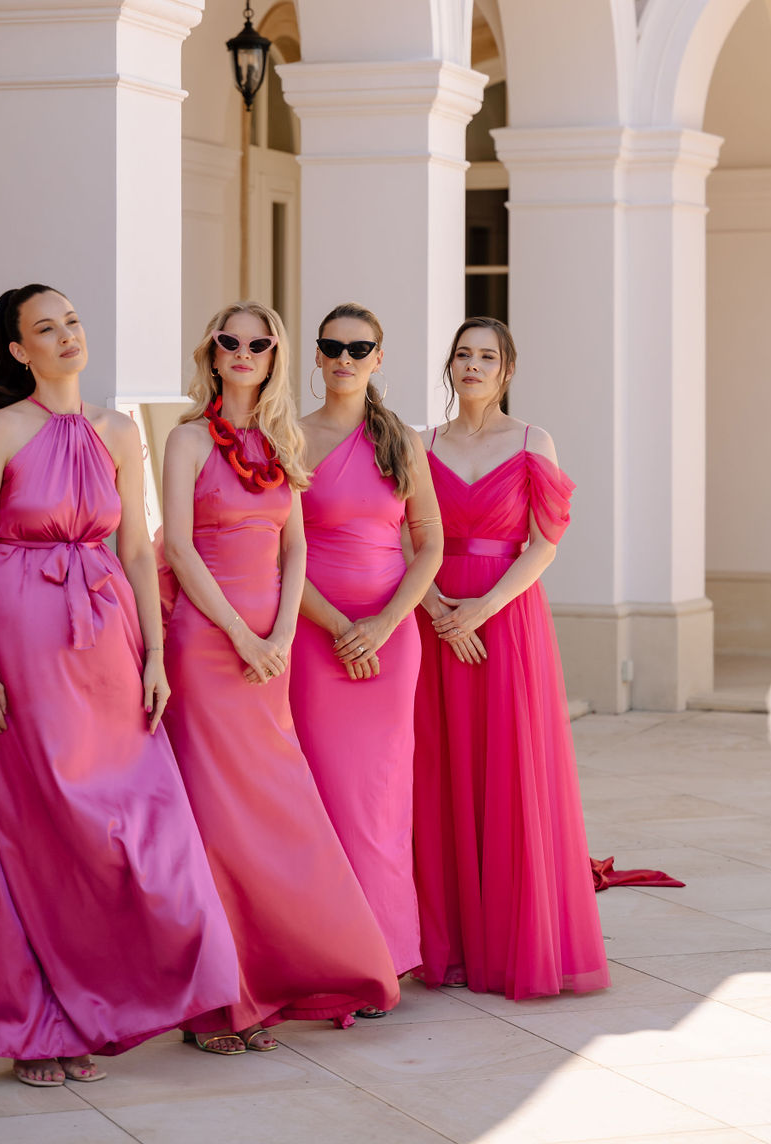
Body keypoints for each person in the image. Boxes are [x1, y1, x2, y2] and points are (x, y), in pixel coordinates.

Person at [0, 285, 239, 1086]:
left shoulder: (120, 432)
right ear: (18, 351)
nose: (68, 336)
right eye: (47, 329)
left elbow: (141, 553)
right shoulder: (1, 432)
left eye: (72, 321)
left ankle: (110, 1000)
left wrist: (153, 656)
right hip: (25, 639)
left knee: (138, 823)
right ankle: (42, 1025)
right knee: (45, 829)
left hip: (109, 637)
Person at [161, 301, 400, 1054]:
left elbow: (294, 547)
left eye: (257, 343)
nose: (242, 351)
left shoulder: (280, 441)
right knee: (217, 823)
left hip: (272, 648)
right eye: (228, 339)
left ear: (273, 357)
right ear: (212, 351)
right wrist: (239, 633)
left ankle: (270, 983)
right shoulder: (187, 440)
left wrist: (286, 633)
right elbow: (177, 550)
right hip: (207, 647)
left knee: (273, 819)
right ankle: (217, 1005)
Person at [413, 316, 609, 999]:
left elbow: (543, 545)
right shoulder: (422, 444)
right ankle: (452, 945)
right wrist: (439, 611)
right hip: (436, 620)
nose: (473, 365)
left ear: (507, 370)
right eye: (463, 354)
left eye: (486, 356)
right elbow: (406, 541)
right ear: (451, 366)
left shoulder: (533, 442)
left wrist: (482, 610)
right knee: (443, 773)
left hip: (507, 619)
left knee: (509, 771)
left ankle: (512, 942)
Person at [290, 303, 442, 990]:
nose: (345, 359)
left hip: (390, 637)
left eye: (360, 348)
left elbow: (430, 545)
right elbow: (275, 549)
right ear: (316, 358)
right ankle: (328, 955)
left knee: (380, 801)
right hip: (311, 632)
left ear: (379, 358)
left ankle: (385, 955)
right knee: (323, 796)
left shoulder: (401, 441)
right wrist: (335, 626)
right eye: (332, 347)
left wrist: (381, 626)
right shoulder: (288, 437)